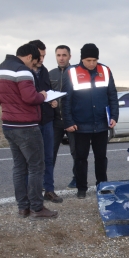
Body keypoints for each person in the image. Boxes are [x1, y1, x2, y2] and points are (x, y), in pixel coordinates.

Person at [0, 43, 58, 220]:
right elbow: (30, 97)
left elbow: (1, 98)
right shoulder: (23, 71)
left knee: (19, 167)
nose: (34, 66)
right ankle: (37, 207)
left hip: (9, 124)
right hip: (26, 126)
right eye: (35, 61)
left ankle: (23, 208)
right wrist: (43, 95)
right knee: (36, 167)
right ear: (29, 57)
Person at [62, 43, 119, 199]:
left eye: (94, 60)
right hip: (80, 125)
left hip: (101, 124)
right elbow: (66, 100)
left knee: (101, 158)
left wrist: (114, 116)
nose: (92, 63)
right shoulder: (72, 72)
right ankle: (81, 188)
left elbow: (112, 95)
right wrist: (68, 121)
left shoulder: (105, 71)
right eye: (88, 60)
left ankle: (102, 185)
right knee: (81, 159)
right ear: (82, 59)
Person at [29, 40, 62, 204]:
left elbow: (46, 92)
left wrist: (52, 102)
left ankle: (49, 190)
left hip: (47, 120)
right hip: (30, 122)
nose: (41, 59)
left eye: (44, 56)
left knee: (48, 157)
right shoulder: (23, 71)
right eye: (39, 55)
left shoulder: (44, 71)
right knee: (32, 160)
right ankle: (32, 194)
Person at [49, 45, 77, 189]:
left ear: (69, 56)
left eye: (64, 55)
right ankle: (47, 182)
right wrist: (49, 102)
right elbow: (44, 94)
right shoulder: (50, 74)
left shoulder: (76, 73)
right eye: (58, 55)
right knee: (50, 151)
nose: (61, 58)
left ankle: (77, 179)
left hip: (72, 120)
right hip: (55, 121)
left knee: (76, 151)